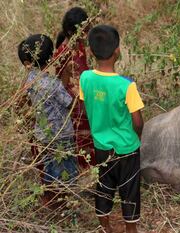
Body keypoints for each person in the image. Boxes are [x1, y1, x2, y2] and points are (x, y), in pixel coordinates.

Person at [79, 25, 144, 233]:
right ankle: (131, 230)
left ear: (91, 51)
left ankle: (105, 227)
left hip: (101, 147)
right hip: (127, 149)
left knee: (104, 188)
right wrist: (137, 138)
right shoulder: (127, 86)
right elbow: (138, 122)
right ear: (117, 51)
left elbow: (86, 105)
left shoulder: (85, 78)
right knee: (130, 190)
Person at [18, 34, 79, 206]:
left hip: (43, 135)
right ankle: (63, 204)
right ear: (51, 57)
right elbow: (69, 104)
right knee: (65, 171)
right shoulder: (53, 84)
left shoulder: (30, 79)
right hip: (60, 135)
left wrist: (65, 74)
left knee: (49, 167)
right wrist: (79, 95)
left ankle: (49, 198)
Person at [54, 6, 95, 168]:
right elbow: (62, 84)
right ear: (72, 32)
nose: (87, 35)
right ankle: (85, 173)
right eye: (84, 31)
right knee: (81, 140)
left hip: (83, 98)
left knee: (88, 138)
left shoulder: (78, 46)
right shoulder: (63, 52)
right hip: (74, 104)